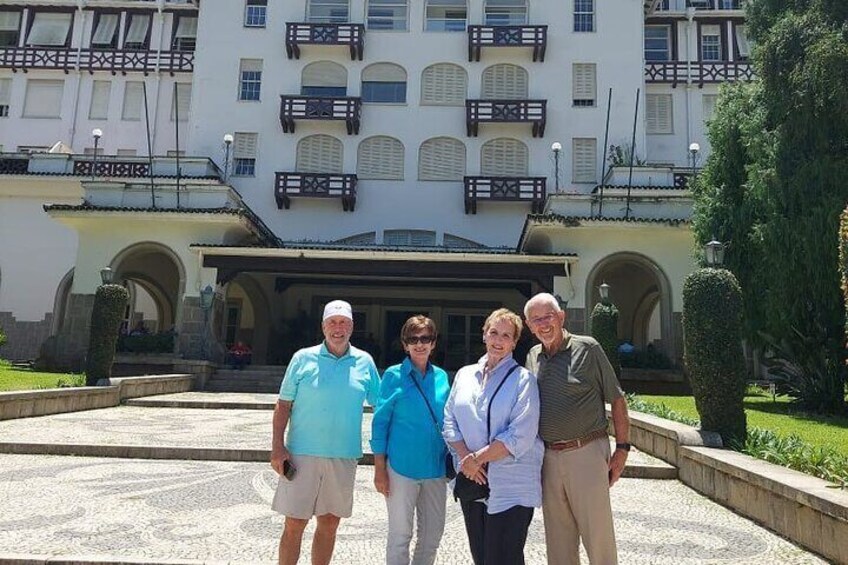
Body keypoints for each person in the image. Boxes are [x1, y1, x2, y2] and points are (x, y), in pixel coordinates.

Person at [270, 299, 380, 565]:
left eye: (344, 323)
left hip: (343, 456)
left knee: (329, 524)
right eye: (333, 322)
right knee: (295, 523)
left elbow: (381, 407)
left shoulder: (365, 362)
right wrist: (277, 447)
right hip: (301, 454)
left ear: (352, 327)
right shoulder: (302, 358)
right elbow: (283, 405)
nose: (338, 328)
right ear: (323, 326)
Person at [523, 292, 631, 565]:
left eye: (548, 316)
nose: (543, 324)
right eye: (536, 320)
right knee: (558, 540)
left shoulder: (589, 348)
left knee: (598, 536)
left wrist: (622, 449)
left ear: (561, 317)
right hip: (547, 457)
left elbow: (617, 399)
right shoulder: (533, 357)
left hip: (586, 452)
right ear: (528, 326)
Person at [443, 308, 543, 565]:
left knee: (506, 557)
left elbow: (521, 434)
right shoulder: (465, 375)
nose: (498, 340)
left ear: (514, 342)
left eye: (506, 336)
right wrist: (467, 460)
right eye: (494, 333)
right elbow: (449, 420)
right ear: (484, 335)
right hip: (472, 480)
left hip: (511, 484)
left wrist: (478, 459)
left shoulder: (524, 381)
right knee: (482, 556)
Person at [371, 315, 450, 565]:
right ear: (404, 344)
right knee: (400, 535)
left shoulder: (442, 378)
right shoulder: (394, 376)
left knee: (432, 535)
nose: (419, 344)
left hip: (435, 468)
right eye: (413, 339)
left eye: (425, 338)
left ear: (433, 343)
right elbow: (380, 423)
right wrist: (379, 469)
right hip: (401, 469)